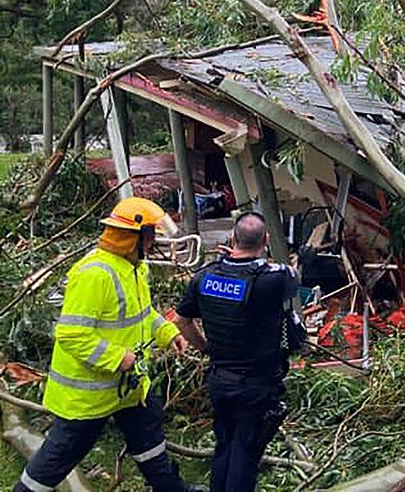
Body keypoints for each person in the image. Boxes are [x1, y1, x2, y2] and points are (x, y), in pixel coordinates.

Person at [15, 197, 203, 492]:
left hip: (127, 387)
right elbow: (72, 334)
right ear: (134, 237)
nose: (155, 242)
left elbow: (142, 314)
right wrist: (118, 358)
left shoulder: (134, 268)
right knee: (59, 456)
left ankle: (170, 488)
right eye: (152, 234)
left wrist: (168, 333)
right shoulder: (95, 275)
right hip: (88, 396)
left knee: (150, 439)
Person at [175, 212, 302, 492]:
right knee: (245, 454)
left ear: (232, 238)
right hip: (256, 384)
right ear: (266, 240)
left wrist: (205, 348)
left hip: (219, 378)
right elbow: (291, 273)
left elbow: (181, 321)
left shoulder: (204, 276)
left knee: (224, 446)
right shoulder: (275, 280)